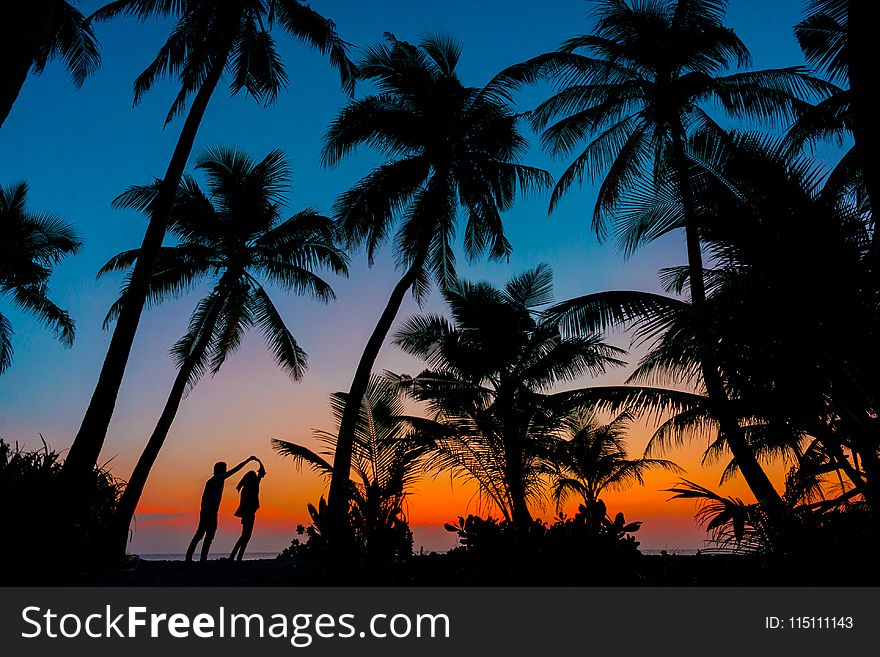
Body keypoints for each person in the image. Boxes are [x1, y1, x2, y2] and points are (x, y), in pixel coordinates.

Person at [185, 456, 257, 562]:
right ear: (220, 470)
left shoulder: (212, 481)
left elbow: (203, 498)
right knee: (206, 534)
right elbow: (235, 470)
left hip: (207, 510)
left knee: (203, 534)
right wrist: (247, 461)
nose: (226, 470)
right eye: (225, 469)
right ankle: (198, 558)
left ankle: (194, 557)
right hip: (210, 511)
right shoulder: (218, 478)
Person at [228, 459, 267, 562]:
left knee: (245, 536)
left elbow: (261, 472)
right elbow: (262, 472)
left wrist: (258, 461)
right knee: (246, 536)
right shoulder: (253, 487)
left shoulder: (247, 488)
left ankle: (236, 556)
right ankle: (235, 556)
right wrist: (258, 461)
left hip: (247, 513)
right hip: (249, 514)